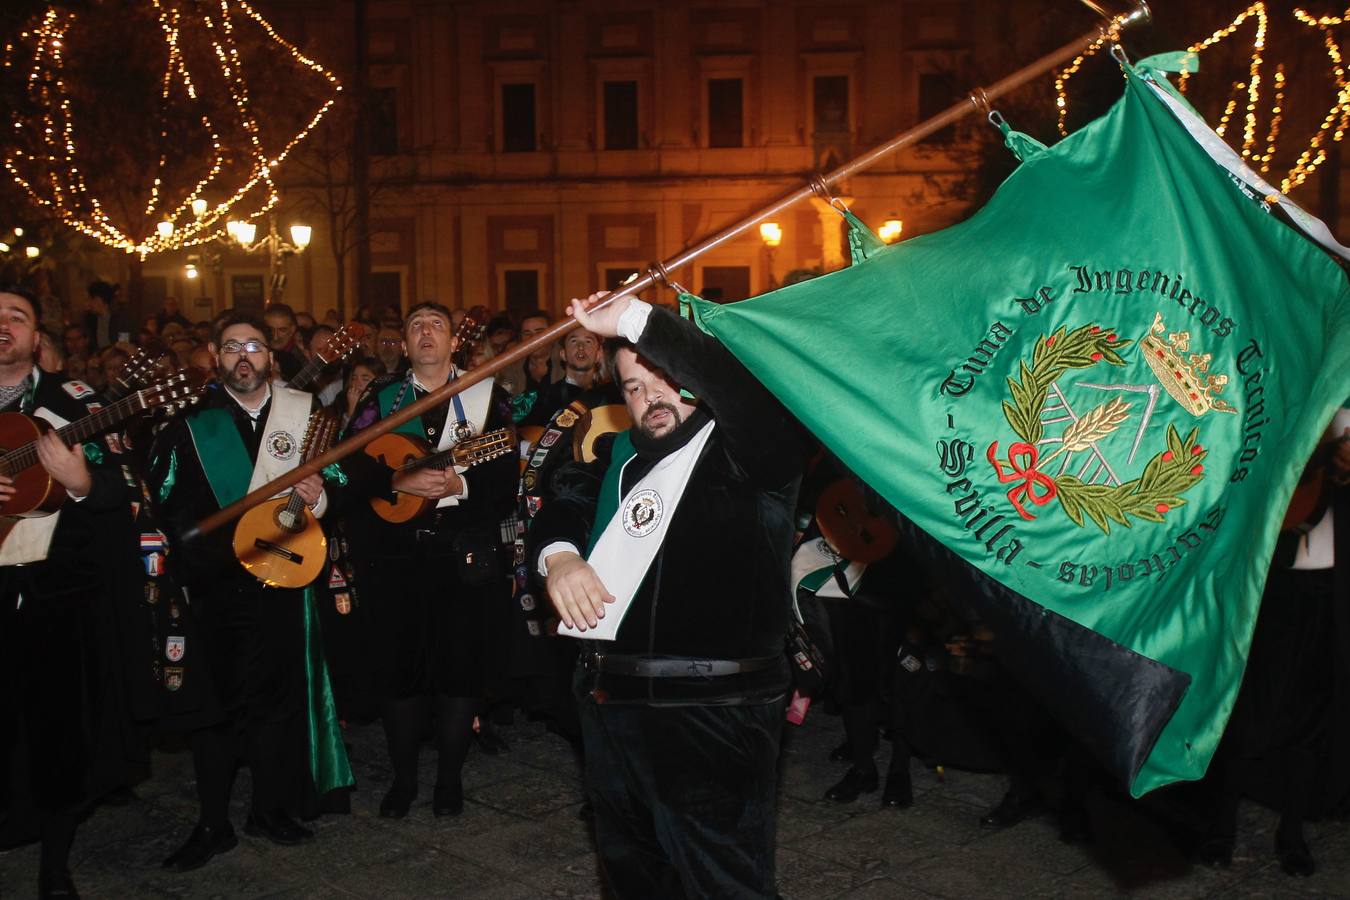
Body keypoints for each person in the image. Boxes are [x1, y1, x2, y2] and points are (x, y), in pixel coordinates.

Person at [530, 291, 807, 897]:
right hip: (610, 705)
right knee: (634, 881)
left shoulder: (753, 452)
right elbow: (563, 505)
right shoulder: (616, 460)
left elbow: (743, 391)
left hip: (712, 710)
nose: (650, 395)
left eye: (663, 376)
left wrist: (634, 321)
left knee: (724, 885)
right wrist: (560, 558)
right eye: (632, 387)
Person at [147, 310, 351, 872]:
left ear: (271, 356)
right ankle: (213, 823)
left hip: (284, 578)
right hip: (216, 586)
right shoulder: (189, 425)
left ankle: (269, 808)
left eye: (255, 346)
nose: (244, 356)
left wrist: (319, 496)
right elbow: (168, 504)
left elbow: (340, 483)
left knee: (276, 703)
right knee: (214, 710)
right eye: (232, 346)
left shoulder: (307, 415)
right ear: (215, 356)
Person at [339, 302, 517, 819]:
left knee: (459, 672)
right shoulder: (380, 400)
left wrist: (462, 483)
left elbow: (507, 478)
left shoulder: (489, 398)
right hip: (393, 559)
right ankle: (403, 779)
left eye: (436, 324)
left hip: (461, 556)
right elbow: (346, 468)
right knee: (400, 673)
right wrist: (396, 481)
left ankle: (449, 781)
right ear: (405, 340)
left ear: (452, 339)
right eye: (416, 325)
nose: (425, 332)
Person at [0, 285, 144, 899]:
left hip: (55, 597)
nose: (3, 326)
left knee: (59, 732)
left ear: (39, 336)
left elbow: (128, 487)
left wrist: (83, 480)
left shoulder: (74, 403)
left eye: (17, 317)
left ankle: (54, 864)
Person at [263, 304, 305, 382]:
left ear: (292, 329)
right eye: (270, 329)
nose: (275, 336)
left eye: (282, 330)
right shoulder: (257, 352)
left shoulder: (300, 360)